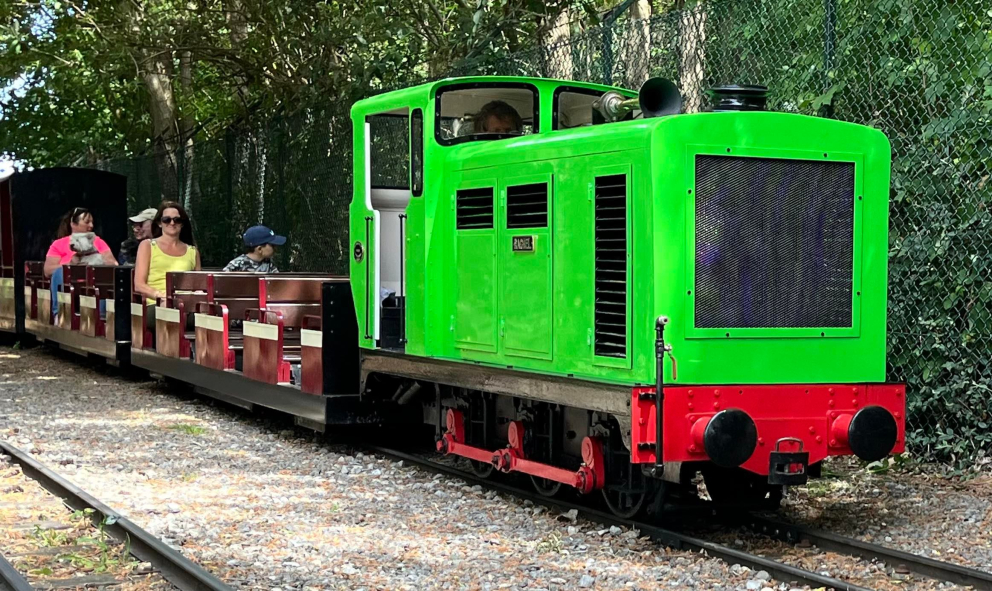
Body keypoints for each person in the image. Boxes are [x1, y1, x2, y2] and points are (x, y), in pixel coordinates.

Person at [133, 201, 201, 329]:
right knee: (170, 312)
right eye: (166, 220)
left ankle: (203, 349)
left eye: (177, 220)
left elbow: (198, 285)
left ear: (182, 223)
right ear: (159, 223)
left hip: (185, 306)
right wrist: (162, 297)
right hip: (156, 303)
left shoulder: (192, 251)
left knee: (211, 319)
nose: (172, 223)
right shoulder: (148, 246)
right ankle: (173, 349)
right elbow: (139, 284)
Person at [44, 207, 118, 315]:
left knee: (104, 277)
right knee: (60, 272)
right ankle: (59, 313)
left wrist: (95, 258)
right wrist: (70, 265)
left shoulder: (97, 241)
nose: (91, 226)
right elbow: (48, 270)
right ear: (73, 224)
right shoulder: (59, 244)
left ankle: (102, 316)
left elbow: (114, 264)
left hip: (94, 288)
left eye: (92, 222)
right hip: (69, 287)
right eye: (87, 222)